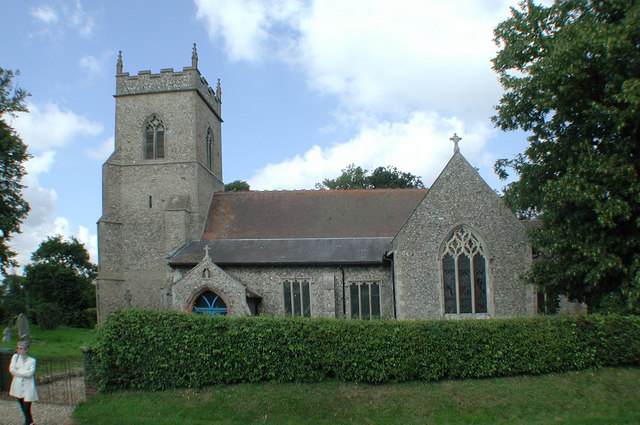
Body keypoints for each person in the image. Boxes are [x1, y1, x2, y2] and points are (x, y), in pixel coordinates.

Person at [9, 340, 38, 425]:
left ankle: (27, 423)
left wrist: (19, 371)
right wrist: (24, 372)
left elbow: (30, 373)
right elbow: (12, 370)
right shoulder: (15, 357)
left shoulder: (32, 360)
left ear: (26, 350)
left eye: (21, 349)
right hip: (18, 386)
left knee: (26, 406)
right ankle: (30, 422)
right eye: (18, 348)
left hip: (28, 387)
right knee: (22, 406)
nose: (19, 350)